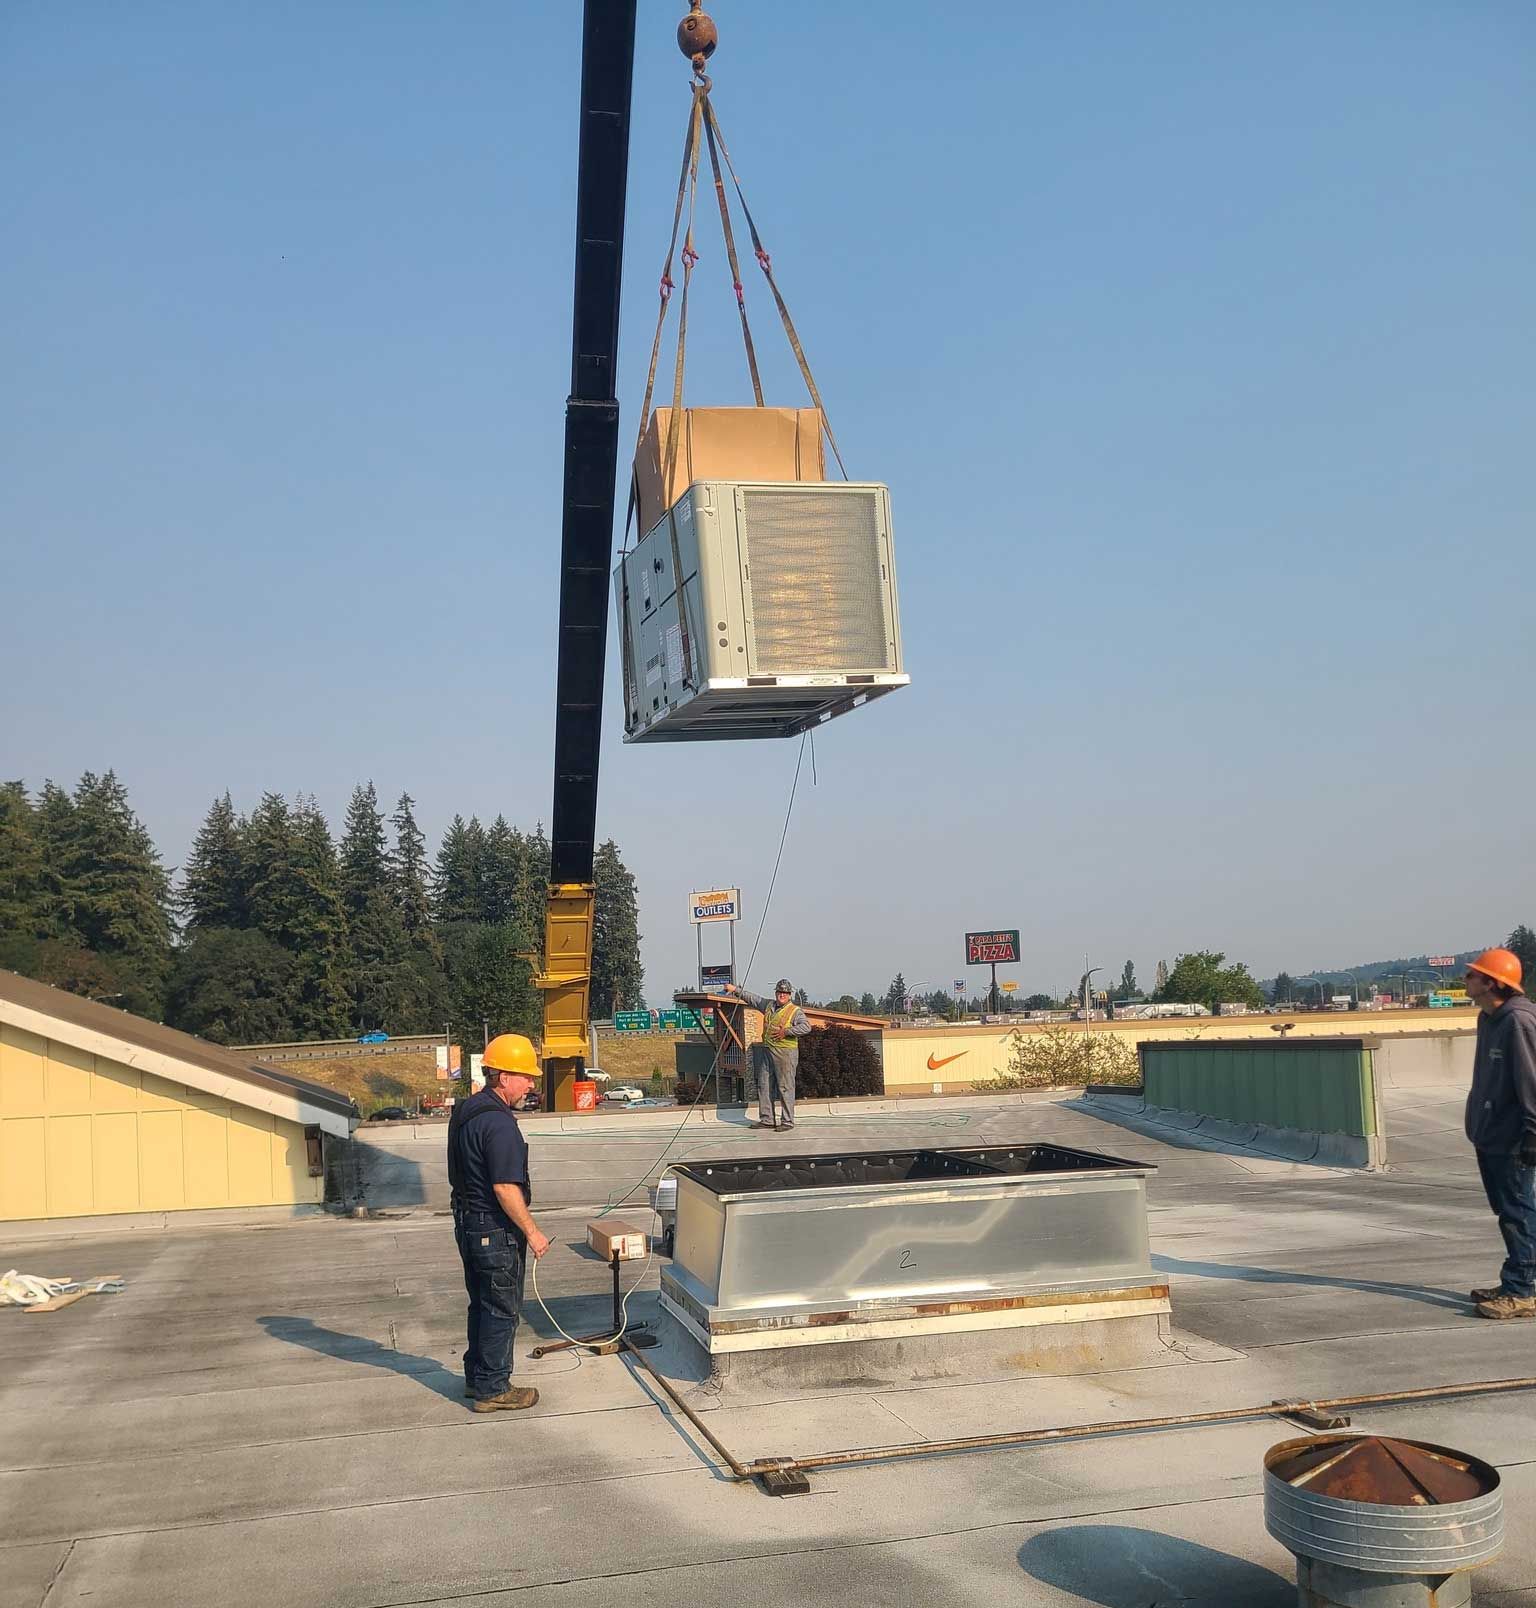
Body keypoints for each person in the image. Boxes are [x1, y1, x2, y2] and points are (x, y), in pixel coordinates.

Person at [447, 1033, 552, 1409]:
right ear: (503, 1077)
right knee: (501, 1308)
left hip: (467, 1222)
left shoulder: (466, 1111)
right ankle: (493, 1388)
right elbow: (506, 1188)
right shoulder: (500, 1124)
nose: (531, 1084)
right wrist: (533, 1232)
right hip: (494, 1228)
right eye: (526, 1076)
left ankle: (477, 1377)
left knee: (480, 1303)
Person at [1463, 948, 1536, 1319]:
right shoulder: (1488, 1018)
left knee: (1518, 1213)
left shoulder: (1517, 1022)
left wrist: (1532, 1136)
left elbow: (1532, 1082)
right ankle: (1516, 1281)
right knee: (1508, 1211)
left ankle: (1522, 1291)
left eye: (1473, 975)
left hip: (1512, 1138)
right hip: (1489, 1133)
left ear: (1493, 983)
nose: (1466, 980)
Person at [727, 978, 812, 1130]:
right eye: (780, 992)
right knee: (764, 1084)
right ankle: (767, 1119)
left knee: (785, 1087)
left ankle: (787, 1121)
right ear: (776, 993)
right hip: (768, 1051)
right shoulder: (768, 1005)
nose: (782, 995)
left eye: (785, 993)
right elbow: (753, 998)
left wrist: (786, 1032)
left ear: (789, 995)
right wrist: (735, 990)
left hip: (785, 1053)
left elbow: (806, 1027)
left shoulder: (795, 1011)